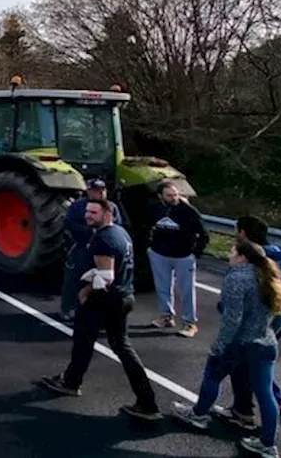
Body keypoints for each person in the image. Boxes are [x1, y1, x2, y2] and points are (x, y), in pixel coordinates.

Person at [39, 197, 161, 421]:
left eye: (94, 213)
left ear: (108, 214)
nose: (88, 216)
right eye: (87, 212)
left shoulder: (103, 239)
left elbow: (106, 277)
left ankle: (72, 382)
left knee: (85, 342)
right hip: (124, 296)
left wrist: (85, 293)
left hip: (105, 300)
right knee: (118, 347)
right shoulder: (121, 234)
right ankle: (147, 401)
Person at [170, 239, 281, 457]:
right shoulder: (269, 278)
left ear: (242, 257)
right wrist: (269, 333)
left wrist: (220, 345)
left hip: (240, 343)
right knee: (265, 393)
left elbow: (233, 319)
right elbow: (280, 315)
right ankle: (268, 444)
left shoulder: (237, 278)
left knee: (213, 375)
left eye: (232, 251)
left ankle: (198, 415)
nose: (229, 255)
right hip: (266, 343)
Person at [213, 216, 281, 427]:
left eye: (236, 230)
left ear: (243, 233)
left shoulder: (251, 262)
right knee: (258, 365)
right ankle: (277, 405)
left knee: (242, 367)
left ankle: (243, 412)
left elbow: (240, 297)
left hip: (256, 324)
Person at [147, 181, 210, 337]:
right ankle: (166, 316)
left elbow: (204, 234)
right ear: (160, 196)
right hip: (159, 254)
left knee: (187, 290)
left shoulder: (188, 211)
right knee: (162, 287)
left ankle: (190, 323)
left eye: (175, 194)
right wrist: (150, 247)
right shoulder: (156, 209)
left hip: (183, 256)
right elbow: (146, 227)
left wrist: (195, 253)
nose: (174, 198)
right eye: (169, 195)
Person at [60, 179, 125, 322]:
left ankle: (97, 310)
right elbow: (69, 224)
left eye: (103, 190)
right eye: (96, 190)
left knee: (102, 279)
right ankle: (68, 307)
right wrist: (88, 233)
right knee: (74, 277)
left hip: (103, 249)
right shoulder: (78, 206)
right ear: (89, 191)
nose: (100, 193)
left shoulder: (112, 207)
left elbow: (118, 225)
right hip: (82, 246)